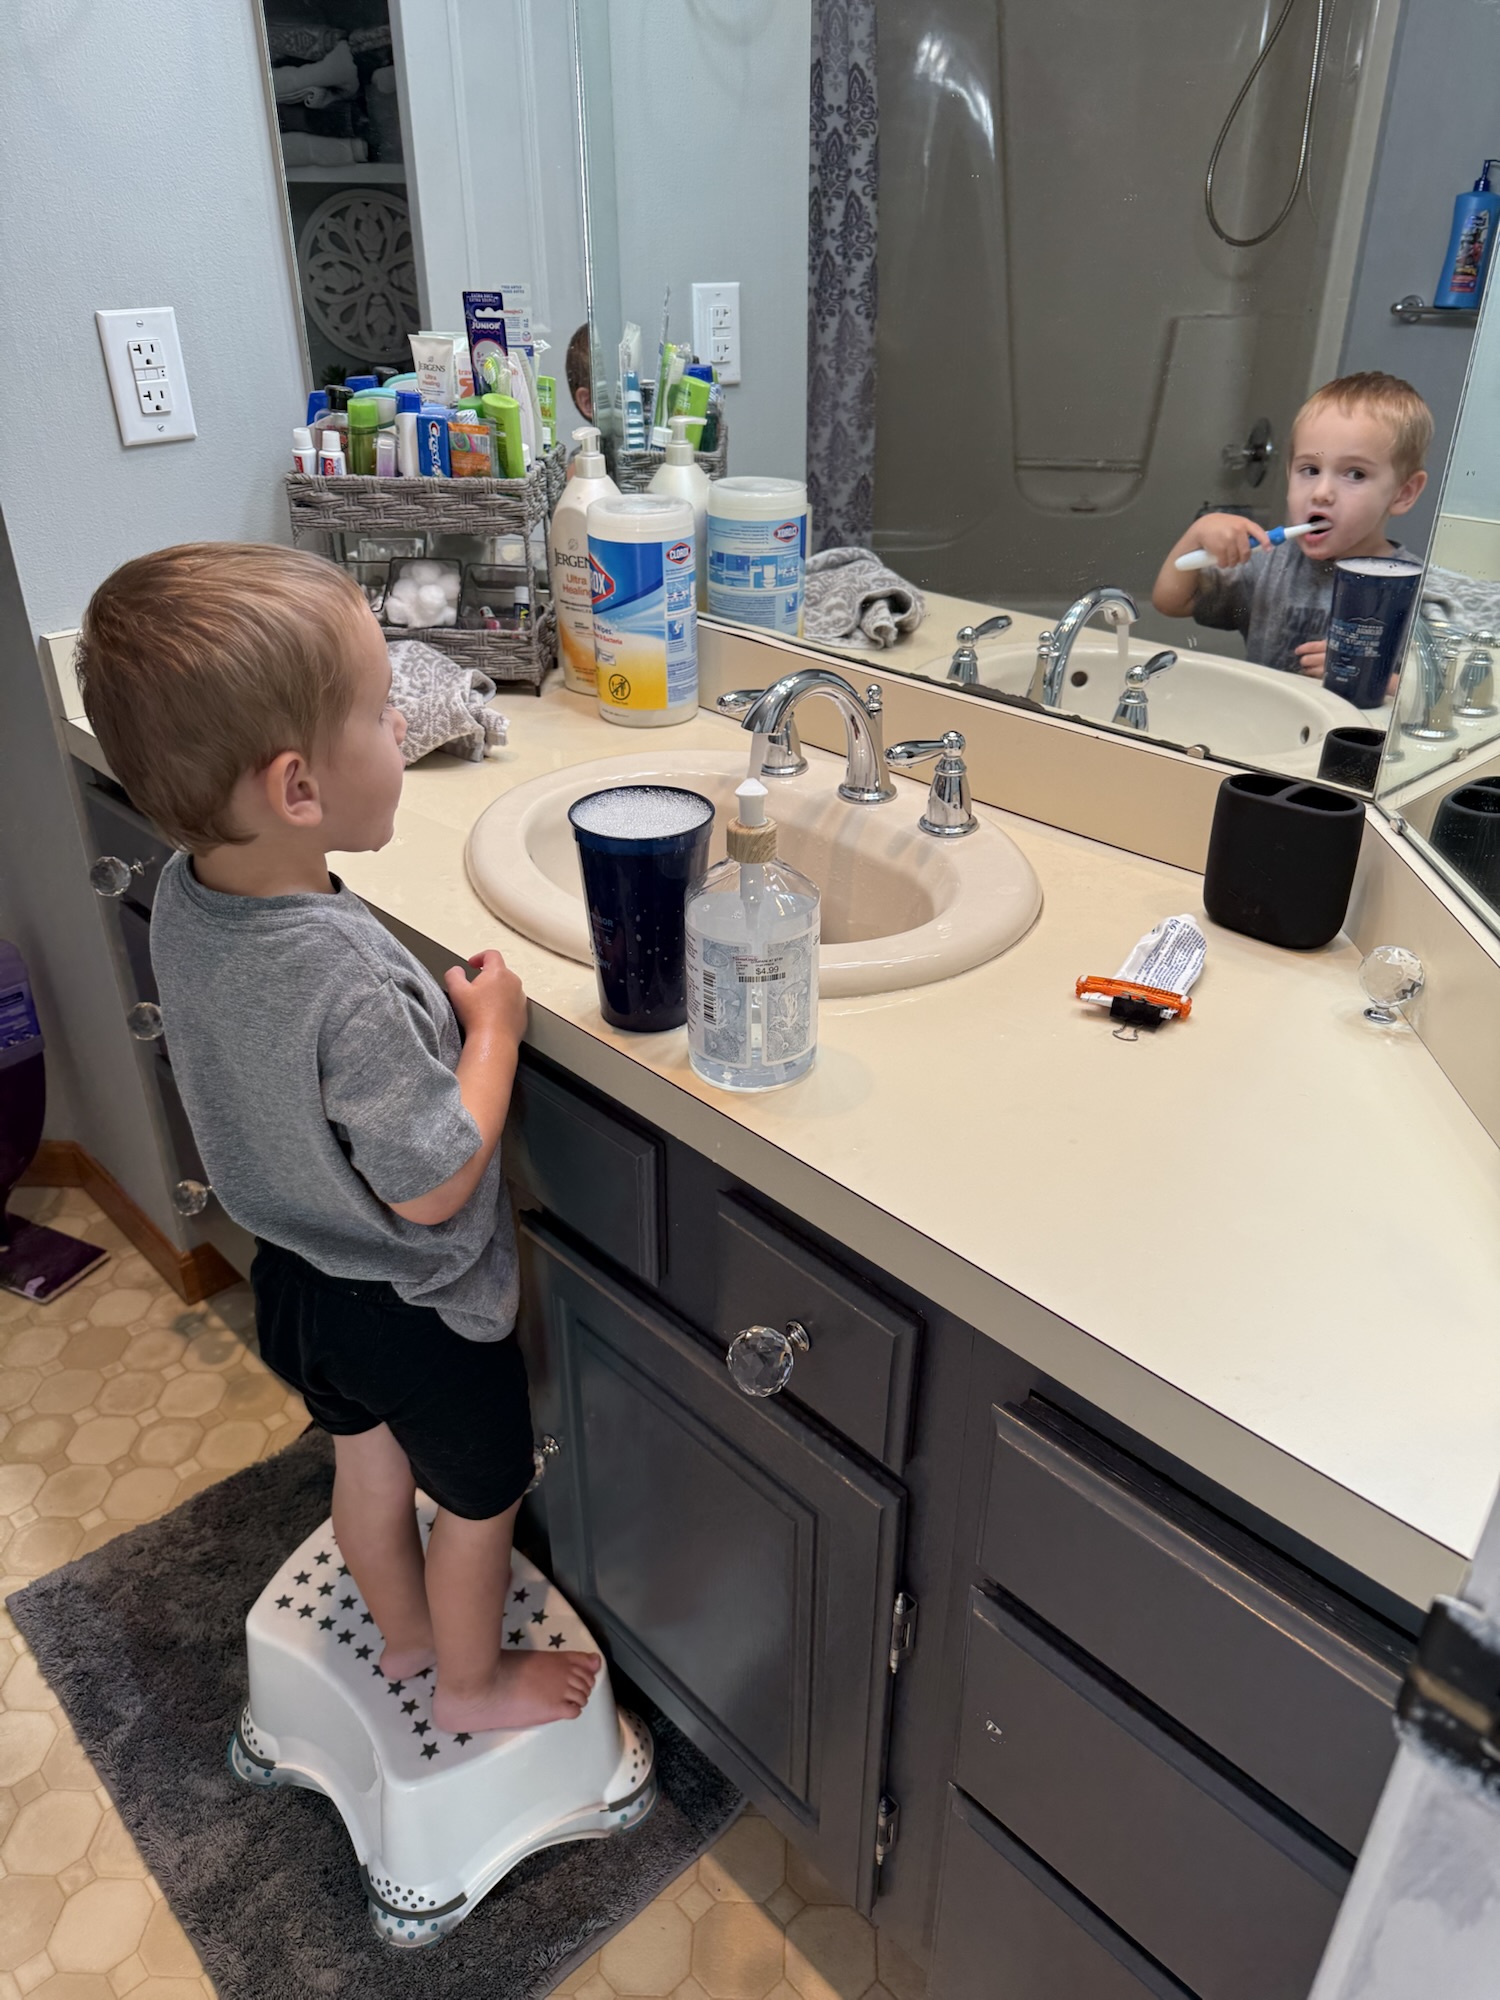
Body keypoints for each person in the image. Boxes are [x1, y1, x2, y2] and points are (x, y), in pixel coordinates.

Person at [74, 543, 600, 1737]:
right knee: (475, 1501)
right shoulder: (350, 975)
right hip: (414, 1308)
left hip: (298, 1283)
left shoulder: (189, 895)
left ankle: (405, 1635)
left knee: (366, 1468)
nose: (401, 722)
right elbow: (432, 1182)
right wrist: (494, 1031)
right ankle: (466, 1684)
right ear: (299, 788)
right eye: (378, 710)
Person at [1152, 371, 1431, 677]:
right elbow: (1171, 602)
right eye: (1310, 470)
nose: (1321, 493)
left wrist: (1378, 679)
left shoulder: (1414, 590)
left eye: (1355, 474)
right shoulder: (1268, 565)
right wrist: (1197, 534)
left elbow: (1439, 691)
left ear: (1403, 493)